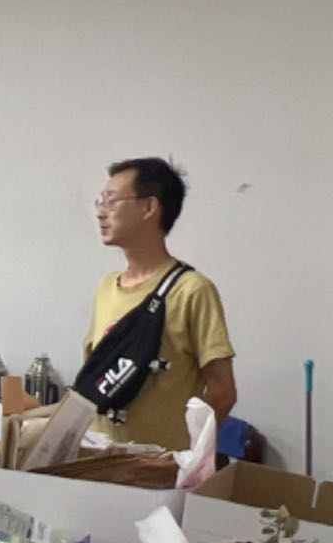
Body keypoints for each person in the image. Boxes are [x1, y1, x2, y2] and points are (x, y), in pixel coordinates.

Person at [81, 157, 236, 450]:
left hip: (157, 470)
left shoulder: (192, 291)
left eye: (111, 201)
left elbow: (223, 393)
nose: (101, 213)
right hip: (97, 462)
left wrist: (186, 456)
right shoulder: (106, 288)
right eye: (100, 202)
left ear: (149, 207)